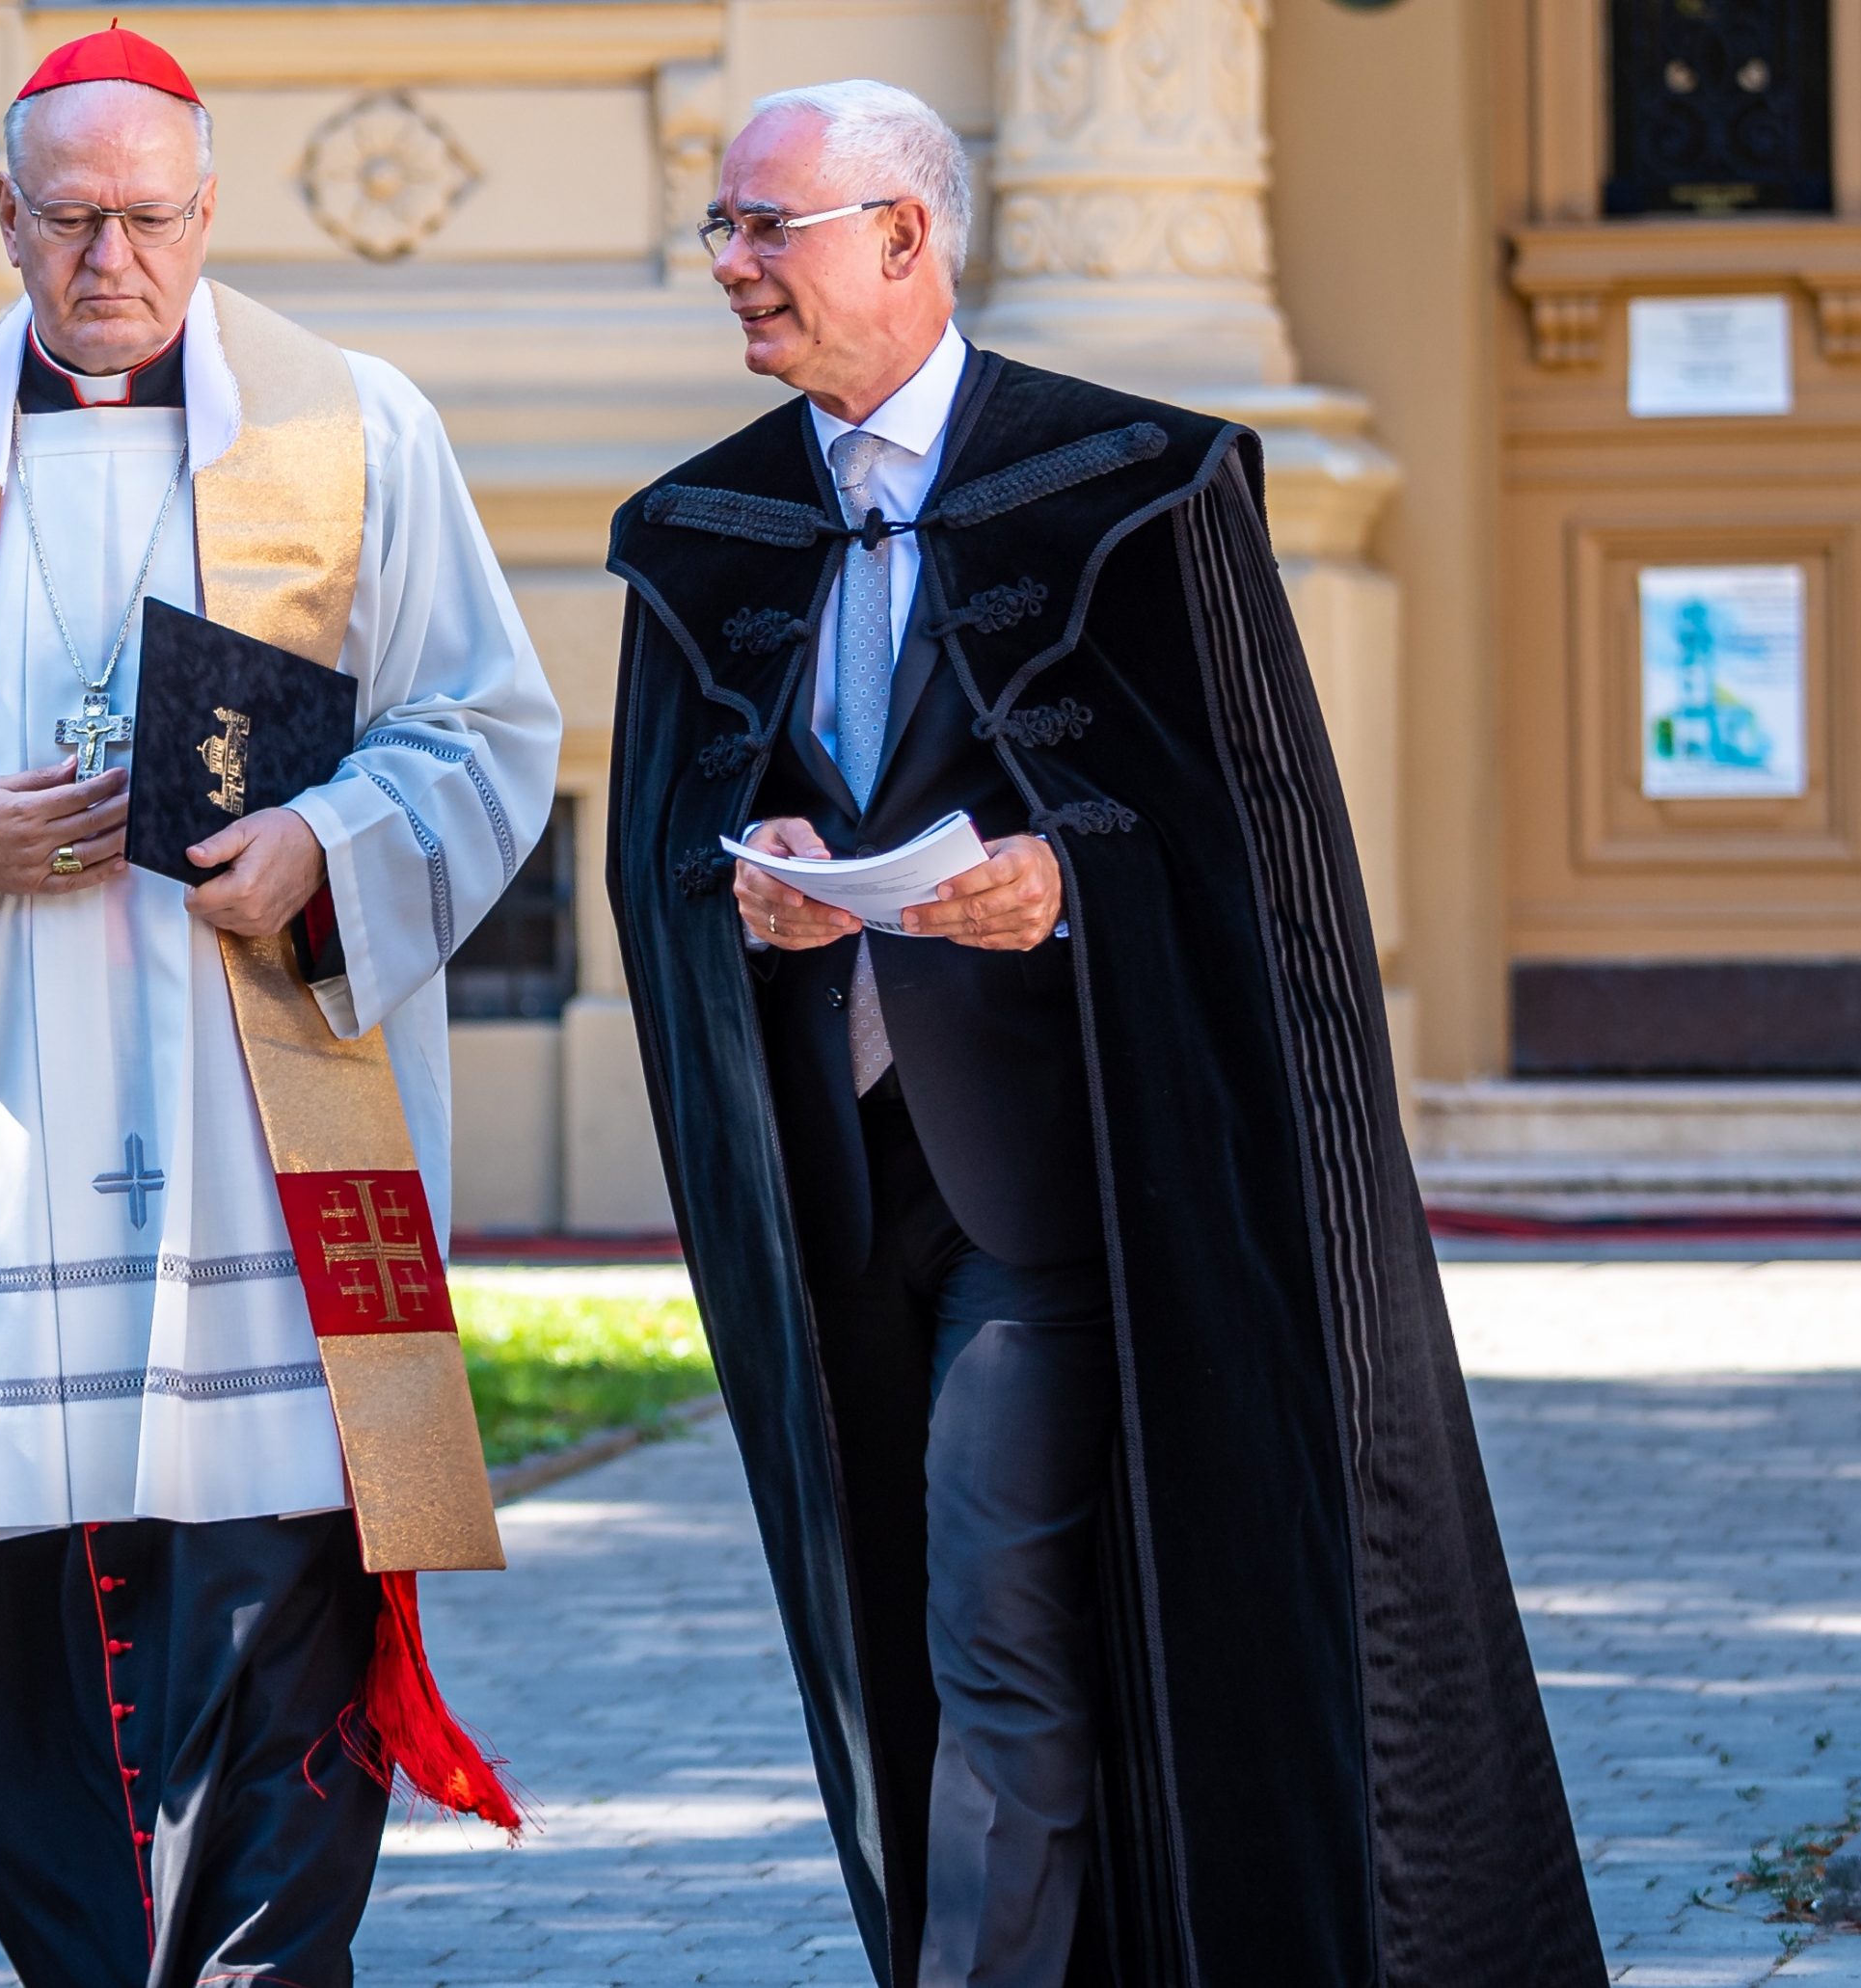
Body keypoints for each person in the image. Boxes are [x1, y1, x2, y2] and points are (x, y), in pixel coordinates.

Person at [604, 79, 1598, 1986]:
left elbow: (1254, 853)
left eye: (766, 227)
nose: (728, 264)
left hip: (1071, 1196)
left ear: (908, 237)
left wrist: (1070, 882)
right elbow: (669, 846)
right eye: (720, 227)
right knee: (906, 1638)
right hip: (833, 1193)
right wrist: (755, 876)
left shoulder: (1136, 487)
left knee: (992, 1620)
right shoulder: (699, 536)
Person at [0, 26, 558, 1986]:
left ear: (212, 210)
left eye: (149, 215)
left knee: (279, 1585)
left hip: (257, 1146)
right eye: (70, 215)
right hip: (7, 1133)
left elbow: (488, 729)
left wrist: (332, 845)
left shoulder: (354, 428)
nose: (111, 254)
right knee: (30, 1621)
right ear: (2, 217)